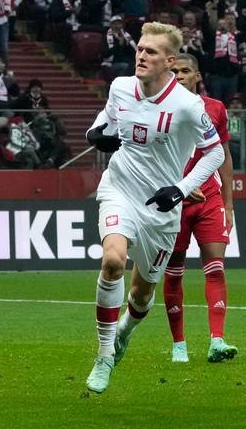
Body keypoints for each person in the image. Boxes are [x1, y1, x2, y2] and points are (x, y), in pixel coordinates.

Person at [84, 23, 225, 394]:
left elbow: (215, 153)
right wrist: (95, 134)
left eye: (151, 51)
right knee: (113, 260)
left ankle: (125, 331)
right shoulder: (120, 87)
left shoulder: (188, 106)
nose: (142, 56)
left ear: (170, 61)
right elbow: (106, 119)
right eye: (140, 49)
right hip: (120, 188)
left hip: (160, 208)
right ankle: (104, 355)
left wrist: (180, 190)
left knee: (143, 294)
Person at [162, 53, 238, 364]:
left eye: (185, 71)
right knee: (174, 271)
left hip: (209, 198)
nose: (179, 75)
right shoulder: (158, 110)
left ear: (197, 76)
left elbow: (224, 155)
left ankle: (217, 340)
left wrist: (229, 203)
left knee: (216, 266)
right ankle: (179, 345)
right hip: (173, 202)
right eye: (174, 71)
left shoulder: (215, 108)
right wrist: (178, 186)